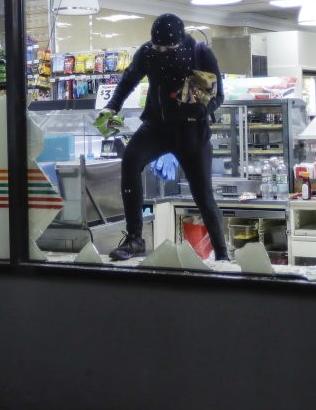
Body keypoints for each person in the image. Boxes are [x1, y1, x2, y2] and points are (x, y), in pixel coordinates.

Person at [97, 13, 229, 261]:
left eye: (164, 47)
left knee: (204, 196)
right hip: (157, 126)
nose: (159, 50)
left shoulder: (200, 53)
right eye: (155, 45)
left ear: (178, 42)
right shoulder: (147, 52)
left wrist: (198, 106)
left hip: (191, 131)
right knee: (130, 161)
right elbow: (128, 81)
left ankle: (222, 254)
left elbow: (219, 96)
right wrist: (111, 107)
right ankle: (135, 239)